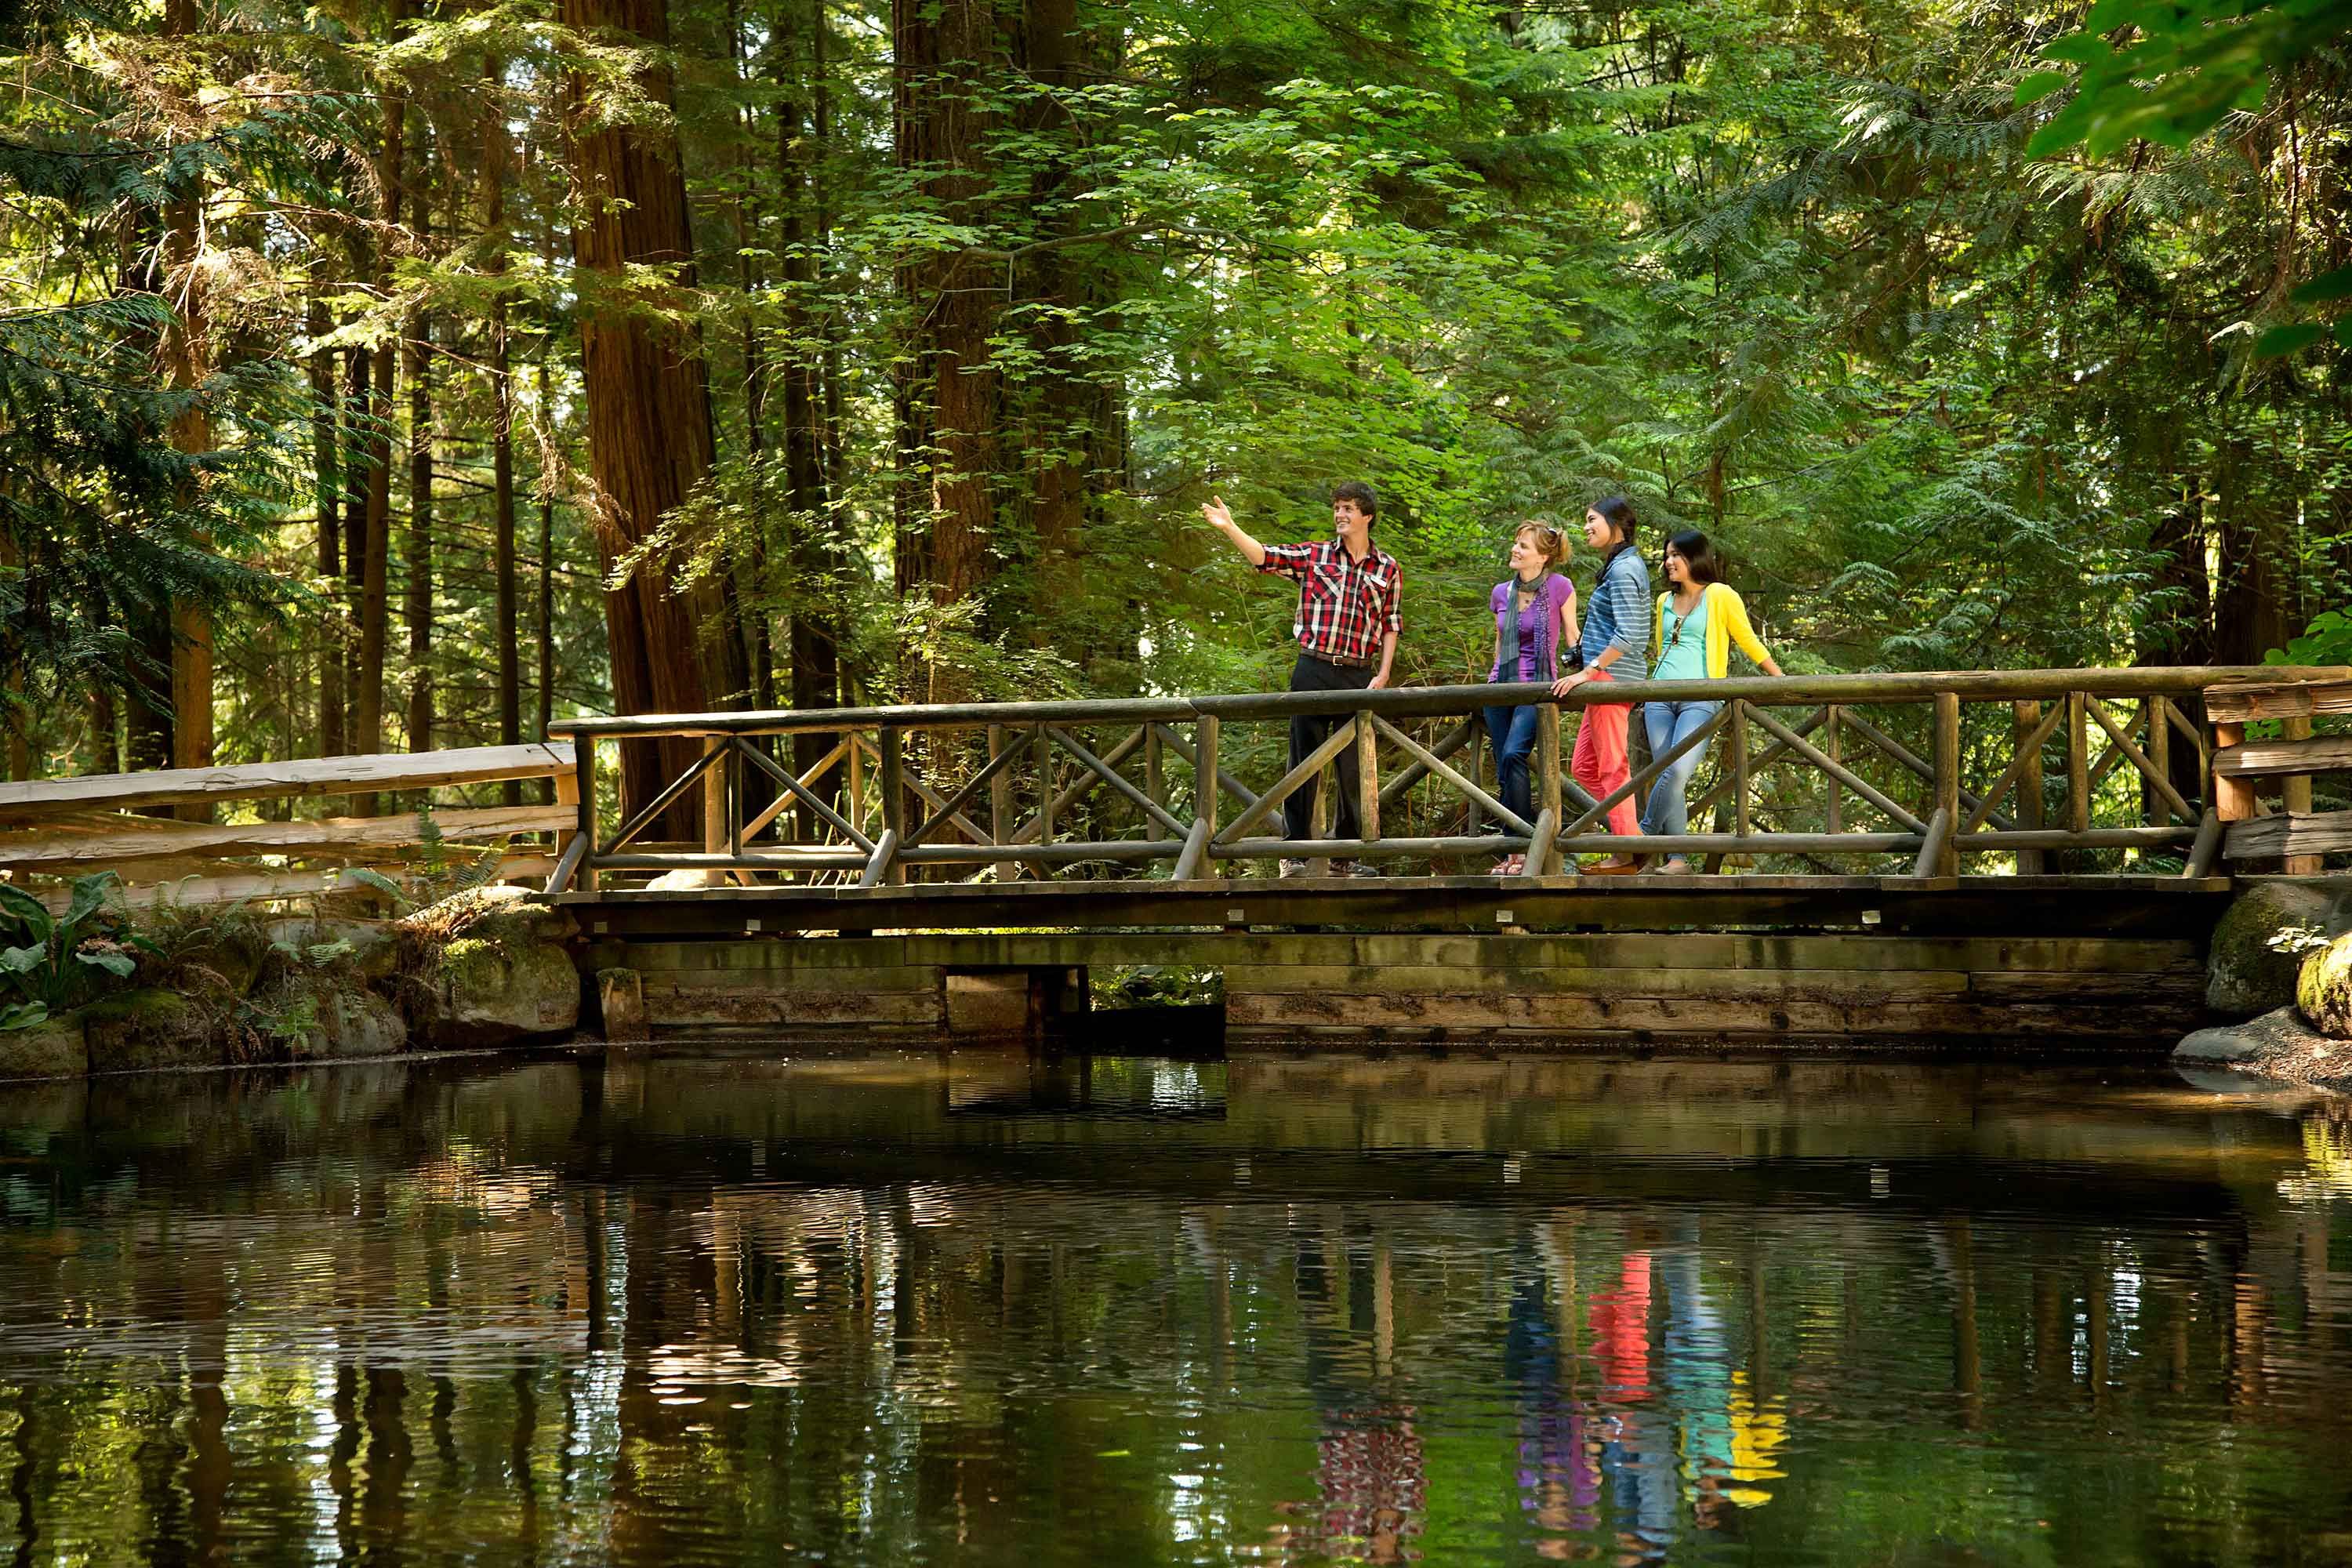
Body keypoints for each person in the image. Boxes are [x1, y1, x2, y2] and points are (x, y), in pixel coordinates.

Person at [1202, 483, 1401, 878]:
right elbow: (1265, 557)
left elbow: (1391, 623)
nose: (1340, 515)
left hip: (1358, 674)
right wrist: (1230, 528)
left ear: (1367, 515)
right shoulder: (1316, 555)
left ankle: (1344, 858)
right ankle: (1293, 854)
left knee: (1353, 768)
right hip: (1313, 668)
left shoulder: (1387, 567)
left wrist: (1383, 673)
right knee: (1303, 763)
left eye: (1347, 509)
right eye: (1337, 509)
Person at [1642, 530, 1784, 873]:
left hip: (1701, 698)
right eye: (1667, 556)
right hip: (1659, 698)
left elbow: (1747, 639)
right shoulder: (1663, 601)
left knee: (1676, 773)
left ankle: (1640, 840)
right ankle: (1677, 859)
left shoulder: (1720, 595)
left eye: (1676, 555)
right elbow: (1663, 650)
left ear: (1695, 558)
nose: (1668, 562)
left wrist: (1780, 678)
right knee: (1666, 775)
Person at [1551, 498, 1649, 873]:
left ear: (1615, 523)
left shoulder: (1625, 570)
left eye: (1592, 520)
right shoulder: (1620, 566)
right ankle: (1631, 840)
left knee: (1612, 766)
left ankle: (1626, 852)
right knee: (1585, 767)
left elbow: (1631, 634)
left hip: (1612, 680)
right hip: (1606, 677)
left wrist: (1586, 672)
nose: (1586, 527)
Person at [1483, 521, 1578, 875]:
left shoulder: (1559, 587)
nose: (1515, 549)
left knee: (1513, 756)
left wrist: (1585, 671)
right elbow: (1498, 643)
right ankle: (1514, 854)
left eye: (1523, 546)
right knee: (1506, 771)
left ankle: (1525, 846)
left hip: (1538, 687)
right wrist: (1492, 680)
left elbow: (1572, 637)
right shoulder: (1499, 593)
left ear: (1543, 556)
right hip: (1500, 688)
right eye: (1516, 542)